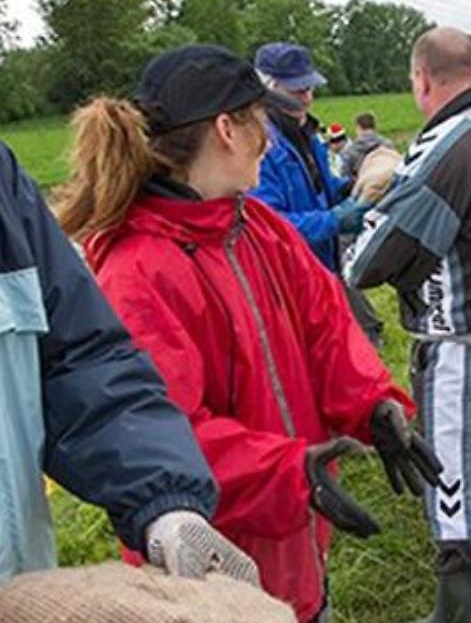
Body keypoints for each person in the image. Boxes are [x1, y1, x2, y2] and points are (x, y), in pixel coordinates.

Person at [55, 44, 440, 622]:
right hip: (212, 575)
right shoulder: (138, 270)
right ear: (226, 129)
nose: (269, 137)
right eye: (258, 120)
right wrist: (293, 473)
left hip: (295, 543)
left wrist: (373, 404)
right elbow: (159, 436)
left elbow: (327, 328)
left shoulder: (256, 225)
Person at [344, 28, 471, 623]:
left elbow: (369, 262)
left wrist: (366, 229)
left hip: (458, 333)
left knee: (451, 459)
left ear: (422, 80)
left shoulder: (444, 153)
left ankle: (458, 604)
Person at [0, 140, 255, 587]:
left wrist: (166, 501)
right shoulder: (140, 263)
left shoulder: (2, 182)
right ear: (226, 129)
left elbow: (81, 359)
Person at [250, 42, 383, 347]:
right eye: (298, 90)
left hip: (323, 269)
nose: (308, 97)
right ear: (269, 86)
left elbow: (322, 187)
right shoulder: (261, 146)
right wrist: (334, 221)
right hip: (286, 281)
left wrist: (350, 189)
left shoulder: (309, 136)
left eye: (309, 87)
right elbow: (269, 224)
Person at [339, 111, 396, 184]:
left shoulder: (350, 151)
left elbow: (345, 178)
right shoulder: (388, 145)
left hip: (363, 190)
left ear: (358, 127)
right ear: (374, 126)